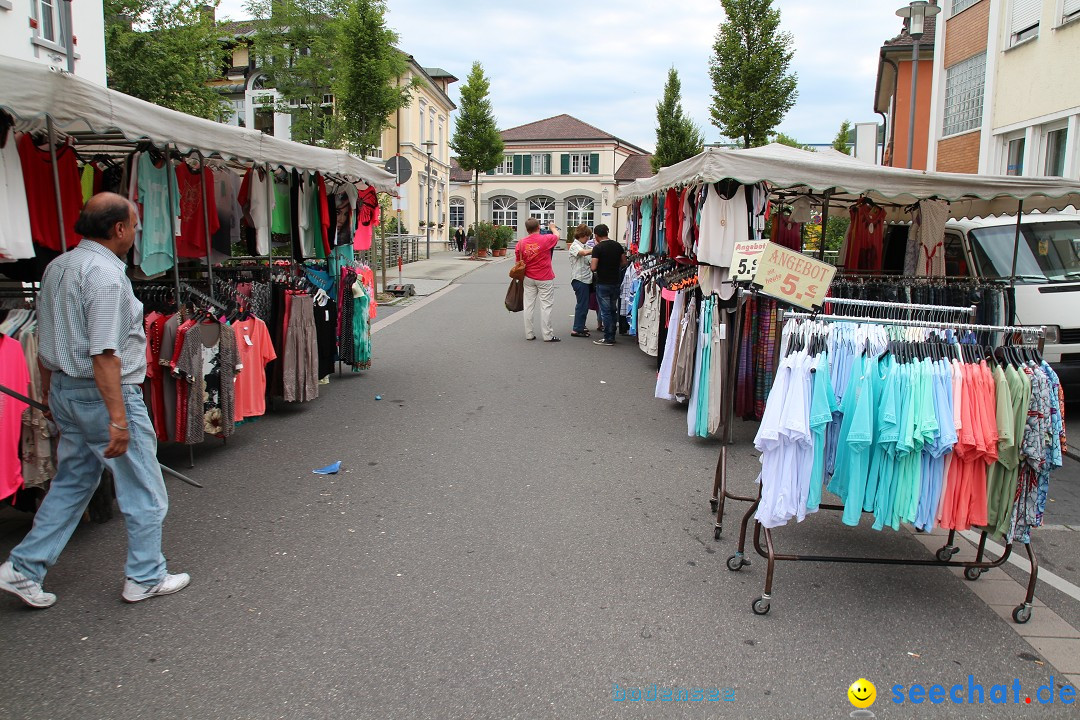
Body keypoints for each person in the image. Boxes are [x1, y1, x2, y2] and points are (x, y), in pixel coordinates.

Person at [0, 193, 189, 609]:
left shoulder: (58, 267)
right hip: (103, 395)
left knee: (73, 483)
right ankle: (145, 576)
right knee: (144, 489)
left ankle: (24, 567)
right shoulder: (104, 276)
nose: (136, 231)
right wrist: (119, 419)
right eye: (134, 224)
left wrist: (52, 394)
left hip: (68, 391)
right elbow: (104, 354)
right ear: (118, 229)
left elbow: (49, 338)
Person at [515, 217, 561, 342]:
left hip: (528, 277)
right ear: (538, 227)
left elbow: (518, 262)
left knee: (528, 305)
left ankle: (529, 334)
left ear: (527, 229)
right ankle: (547, 335)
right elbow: (557, 236)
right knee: (546, 306)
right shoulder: (545, 239)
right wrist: (552, 227)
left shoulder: (521, 243)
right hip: (545, 277)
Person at [590, 224, 626, 346]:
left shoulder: (598, 248)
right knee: (612, 309)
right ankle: (613, 334)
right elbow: (624, 262)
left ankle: (608, 337)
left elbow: (593, 267)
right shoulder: (617, 246)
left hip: (603, 282)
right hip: (615, 281)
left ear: (596, 235)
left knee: (605, 311)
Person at [568, 224, 594, 337]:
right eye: (587, 236)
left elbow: (589, 261)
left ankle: (581, 325)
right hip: (579, 279)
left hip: (586, 279)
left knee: (584, 304)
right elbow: (583, 253)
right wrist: (597, 249)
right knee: (582, 304)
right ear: (582, 235)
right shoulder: (575, 246)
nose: (588, 238)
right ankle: (577, 328)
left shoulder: (584, 246)